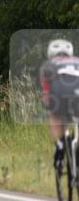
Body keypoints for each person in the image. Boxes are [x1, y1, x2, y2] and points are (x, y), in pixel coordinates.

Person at [41, 39, 79, 169]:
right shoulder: (77, 61)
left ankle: (60, 143)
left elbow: (46, 91)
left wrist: (47, 103)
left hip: (60, 93)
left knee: (55, 115)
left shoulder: (49, 64)